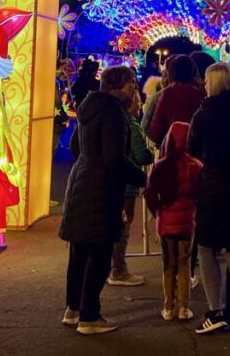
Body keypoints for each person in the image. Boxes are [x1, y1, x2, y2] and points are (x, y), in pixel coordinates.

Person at [59, 66, 147, 335]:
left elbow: (76, 146)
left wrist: (89, 163)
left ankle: (73, 308)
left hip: (81, 182)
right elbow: (115, 159)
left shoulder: (90, 108)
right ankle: (90, 316)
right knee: (99, 254)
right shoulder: (114, 114)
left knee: (79, 252)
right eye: (132, 84)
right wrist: (143, 179)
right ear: (118, 86)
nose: (134, 89)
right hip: (102, 189)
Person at [188, 63, 230, 335]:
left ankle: (214, 310)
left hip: (215, 182)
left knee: (206, 245)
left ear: (214, 82)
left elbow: (193, 146)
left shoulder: (204, 112)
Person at [144, 121, 202, 322]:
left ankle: (168, 307)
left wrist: (158, 212)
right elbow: (201, 193)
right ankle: (184, 308)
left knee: (168, 265)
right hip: (187, 222)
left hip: (166, 222)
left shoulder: (160, 167)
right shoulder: (195, 166)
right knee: (185, 263)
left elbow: (149, 193)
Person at [108, 83, 154, 286]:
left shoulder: (108, 118)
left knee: (110, 224)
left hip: (107, 180)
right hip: (126, 182)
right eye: (137, 100)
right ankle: (118, 270)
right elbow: (141, 154)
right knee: (123, 227)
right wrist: (149, 155)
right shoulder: (131, 125)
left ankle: (109, 266)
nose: (140, 104)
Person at [148, 55, 205, 146]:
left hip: (173, 145)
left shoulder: (168, 93)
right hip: (198, 145)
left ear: (172, 72)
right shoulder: (202, 92)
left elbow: (156, 128)